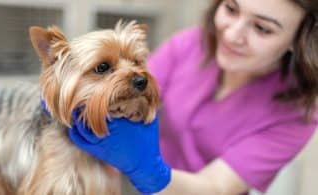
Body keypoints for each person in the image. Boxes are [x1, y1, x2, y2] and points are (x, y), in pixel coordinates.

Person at [68, 0, 318, 194]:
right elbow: (131, 95)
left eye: (262, 28)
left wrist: (148, 171)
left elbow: (215, 187)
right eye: (231, 8)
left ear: (299, 40)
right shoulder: (191, 44)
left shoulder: (298, 113)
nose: (231, 35)